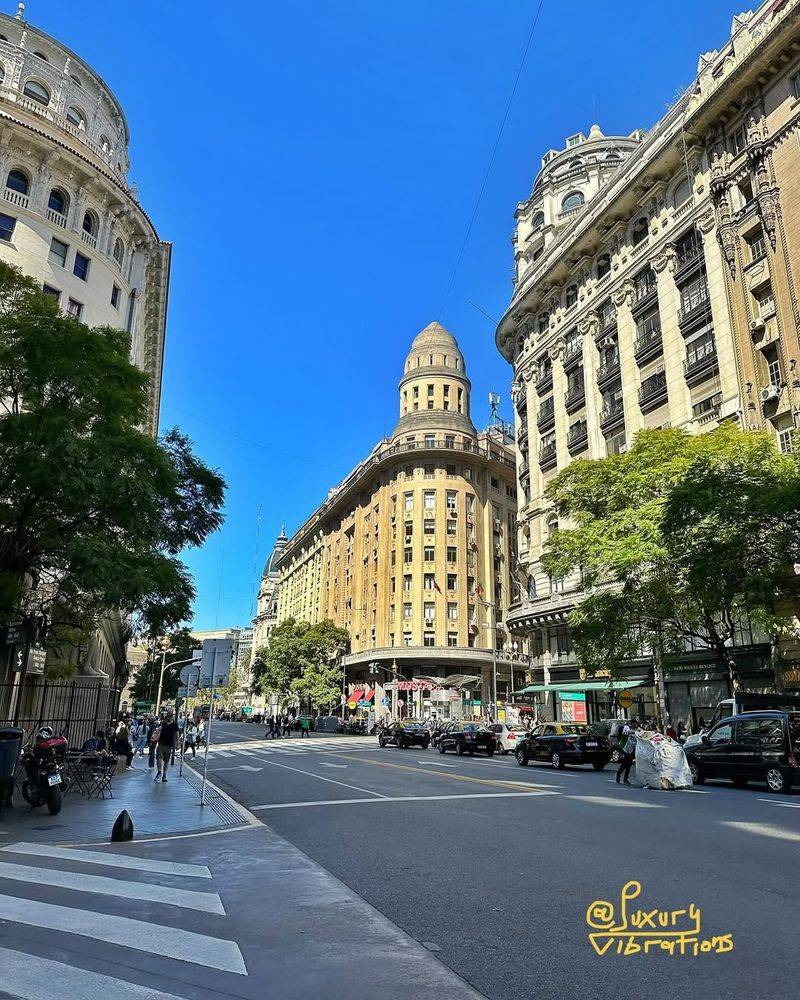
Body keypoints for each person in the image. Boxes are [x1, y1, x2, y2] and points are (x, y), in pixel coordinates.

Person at [155, 708, 180, 782]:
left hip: (169, 745)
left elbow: (177, 734)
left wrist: (177, 743)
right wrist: (158, 730)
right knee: (159, 758)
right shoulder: (162, 723)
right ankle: (159, 772)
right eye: (168, 716)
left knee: (166, 761)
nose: (169, 717)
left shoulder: (175, 724)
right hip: (161, 744)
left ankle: (164, 775)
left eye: (171, 716)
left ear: (172, 716)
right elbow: (157, 731)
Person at [615, 717, 639, 785]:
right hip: (624, 747)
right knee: (624, 764)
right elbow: (627, 732)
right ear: (631, 724)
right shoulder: (626, 727)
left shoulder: (636, 730)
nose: (635, 725)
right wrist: (636, 732)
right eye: (634, 724)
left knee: (629, 764)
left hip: (630, 749)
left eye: (636, 724)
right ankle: (618, 775)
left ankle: (626, 779)